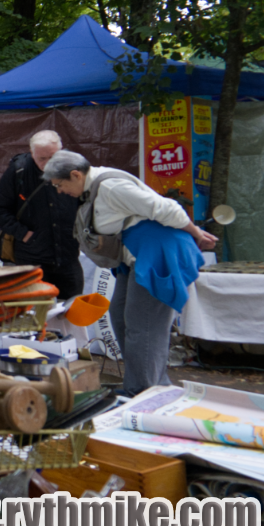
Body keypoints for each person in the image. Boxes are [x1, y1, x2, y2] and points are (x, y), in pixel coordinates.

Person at [43, 150, 218, 396]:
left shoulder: (111, 187)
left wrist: (197, 233)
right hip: (135, 254)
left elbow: (167, 208)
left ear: (75, 174)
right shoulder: (94, 186)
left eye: (60, 185)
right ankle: (150, 383)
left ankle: (144, 391)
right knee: (121, 316)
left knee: (143, 326)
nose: (60, 191)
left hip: (155, 253)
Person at [0, 131, 83, 299]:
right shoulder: (19, 170)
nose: (47, 164)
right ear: (32, 154)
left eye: (52, 157)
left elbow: (86, 201)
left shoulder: (74, 168)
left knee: (73, 311)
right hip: (31, 259)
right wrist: (23, 234)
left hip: (68, 256)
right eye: (41, 159)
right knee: (34, 315)